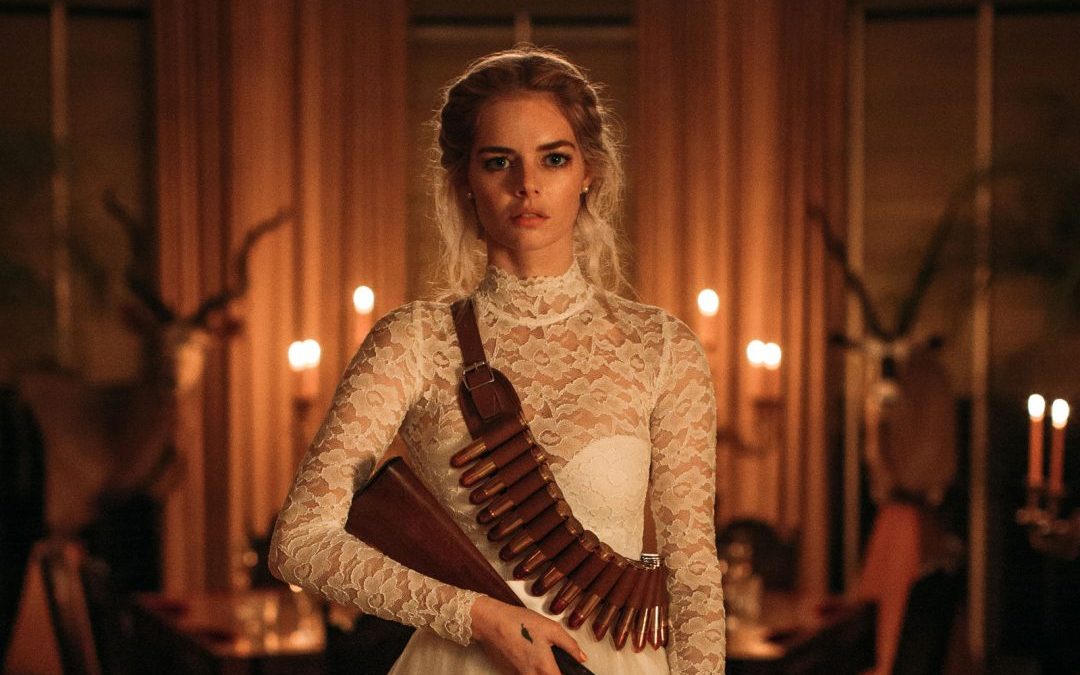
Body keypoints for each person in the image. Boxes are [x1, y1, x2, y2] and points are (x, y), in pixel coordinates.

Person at [270, 46, 726, 674]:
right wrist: (479, 616)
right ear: (465, 179)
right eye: (498, 162)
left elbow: (692, 572)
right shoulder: (414, 340)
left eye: (554, 158)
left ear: (589, 172)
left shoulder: (661, 346)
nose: (527, 185)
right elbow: (299, 543)